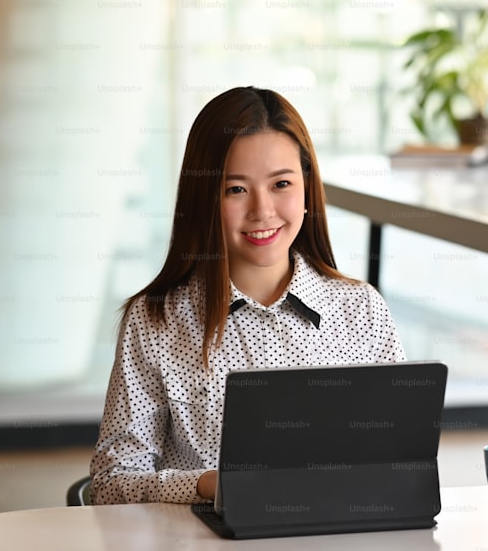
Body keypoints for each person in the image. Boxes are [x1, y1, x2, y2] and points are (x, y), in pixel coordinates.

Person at [89, 87, 406, 505]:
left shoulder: (361, 308)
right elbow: (111, 485)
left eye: (281, 184)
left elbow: (405, 461)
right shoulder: (156, 320)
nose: (262, 210)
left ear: (307, 189)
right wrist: (206, 485)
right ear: (204, 198)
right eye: (236, 189)